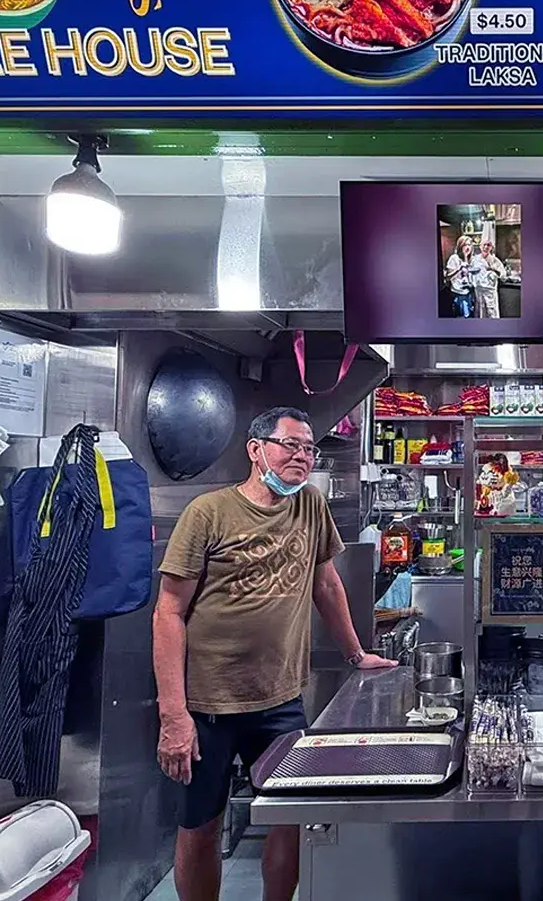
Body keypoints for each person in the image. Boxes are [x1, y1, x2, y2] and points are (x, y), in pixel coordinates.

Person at [154, 407, 396, 901]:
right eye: (291, 445)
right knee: (201, 825)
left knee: (290, 818)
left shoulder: (310, 505)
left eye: (309, 448)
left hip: (281, 700)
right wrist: (173, 715)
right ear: (256, 449)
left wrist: (356, 654)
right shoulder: (208, 512)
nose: (302, 456)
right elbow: (168, 612)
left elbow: (326, 585)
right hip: (208, 705)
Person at [472, 240, 512, 319]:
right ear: (480, 246)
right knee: (480, 314)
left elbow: (503, 276)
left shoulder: (495, 260)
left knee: (492, 314)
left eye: (488, 245)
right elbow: (470, 273)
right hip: (479, 291)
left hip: (490, 292)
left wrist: (494, 270)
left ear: (491, 248)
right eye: (484, 245)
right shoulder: (475, 260)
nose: (486, 247)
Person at [444, 235, 478, 318]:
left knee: (470, 316)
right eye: (465, 245)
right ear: (460, 246)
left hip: (469, 292)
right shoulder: (454, 258)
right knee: (463, 317)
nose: (467, 247)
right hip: (458, 293)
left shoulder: (472, 259)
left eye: (469, 245)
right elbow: (448, 277)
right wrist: (459, 269)